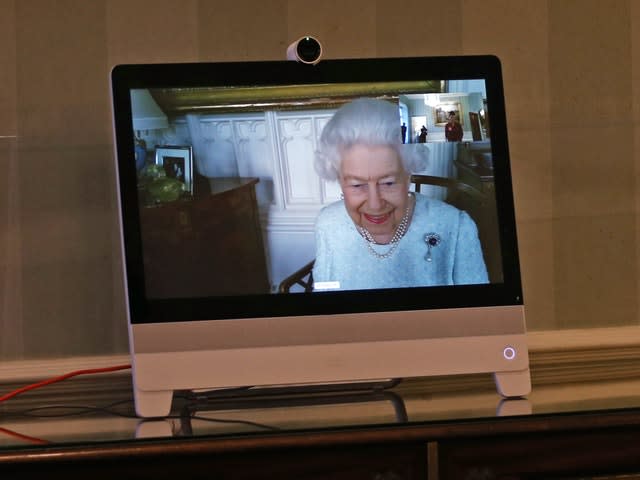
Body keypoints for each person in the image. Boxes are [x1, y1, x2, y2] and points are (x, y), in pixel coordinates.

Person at [312, 98, 488, 291]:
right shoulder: (328, 223)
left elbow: (481, 314)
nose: (375, 204)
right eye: (357, 185)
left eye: (388, 183)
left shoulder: (455, 227)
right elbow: (324, 291)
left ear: (408, 176)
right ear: (340, 180)